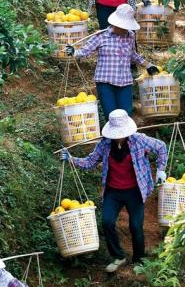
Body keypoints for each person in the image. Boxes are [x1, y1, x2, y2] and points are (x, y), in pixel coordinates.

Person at [61, 109, 167, 273]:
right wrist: (71, 159)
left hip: (135, 191)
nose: (118, 136)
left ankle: (139, 259)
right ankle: (118, 256)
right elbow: (90, 162)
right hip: (113, 191)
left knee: (135, 226)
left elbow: (161, 147)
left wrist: (161, 170)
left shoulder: (139, 140)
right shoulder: (104, 144)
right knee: (107, 222)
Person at [66, 3, 158, 119]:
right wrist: (74, 52)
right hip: (105, 82)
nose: (126, 29)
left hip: (125, 82)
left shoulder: (130, 35)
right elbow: (84, 51)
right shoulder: (101, 36)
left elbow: (132, 54)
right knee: (111, 117)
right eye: (123, 26)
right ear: (116, 24)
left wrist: (147, 65)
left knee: (126, 116)